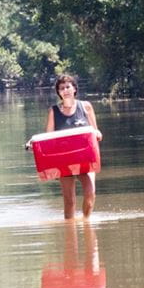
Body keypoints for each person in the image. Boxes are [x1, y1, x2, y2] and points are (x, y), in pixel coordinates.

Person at [45, 73, 102, 219]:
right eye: (61, 88)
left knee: (90, 195)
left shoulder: (86, 107)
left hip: (86, 159)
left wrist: (97, 134)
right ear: (58, 92)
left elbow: (96, 132)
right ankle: (70, 232)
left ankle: (86, 223)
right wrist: (33, 144)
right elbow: (48, 138)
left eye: (68, 87)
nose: (65, 90)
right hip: (64, 162)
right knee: (69, 201)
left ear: (74, 89)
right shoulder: (54, 111)